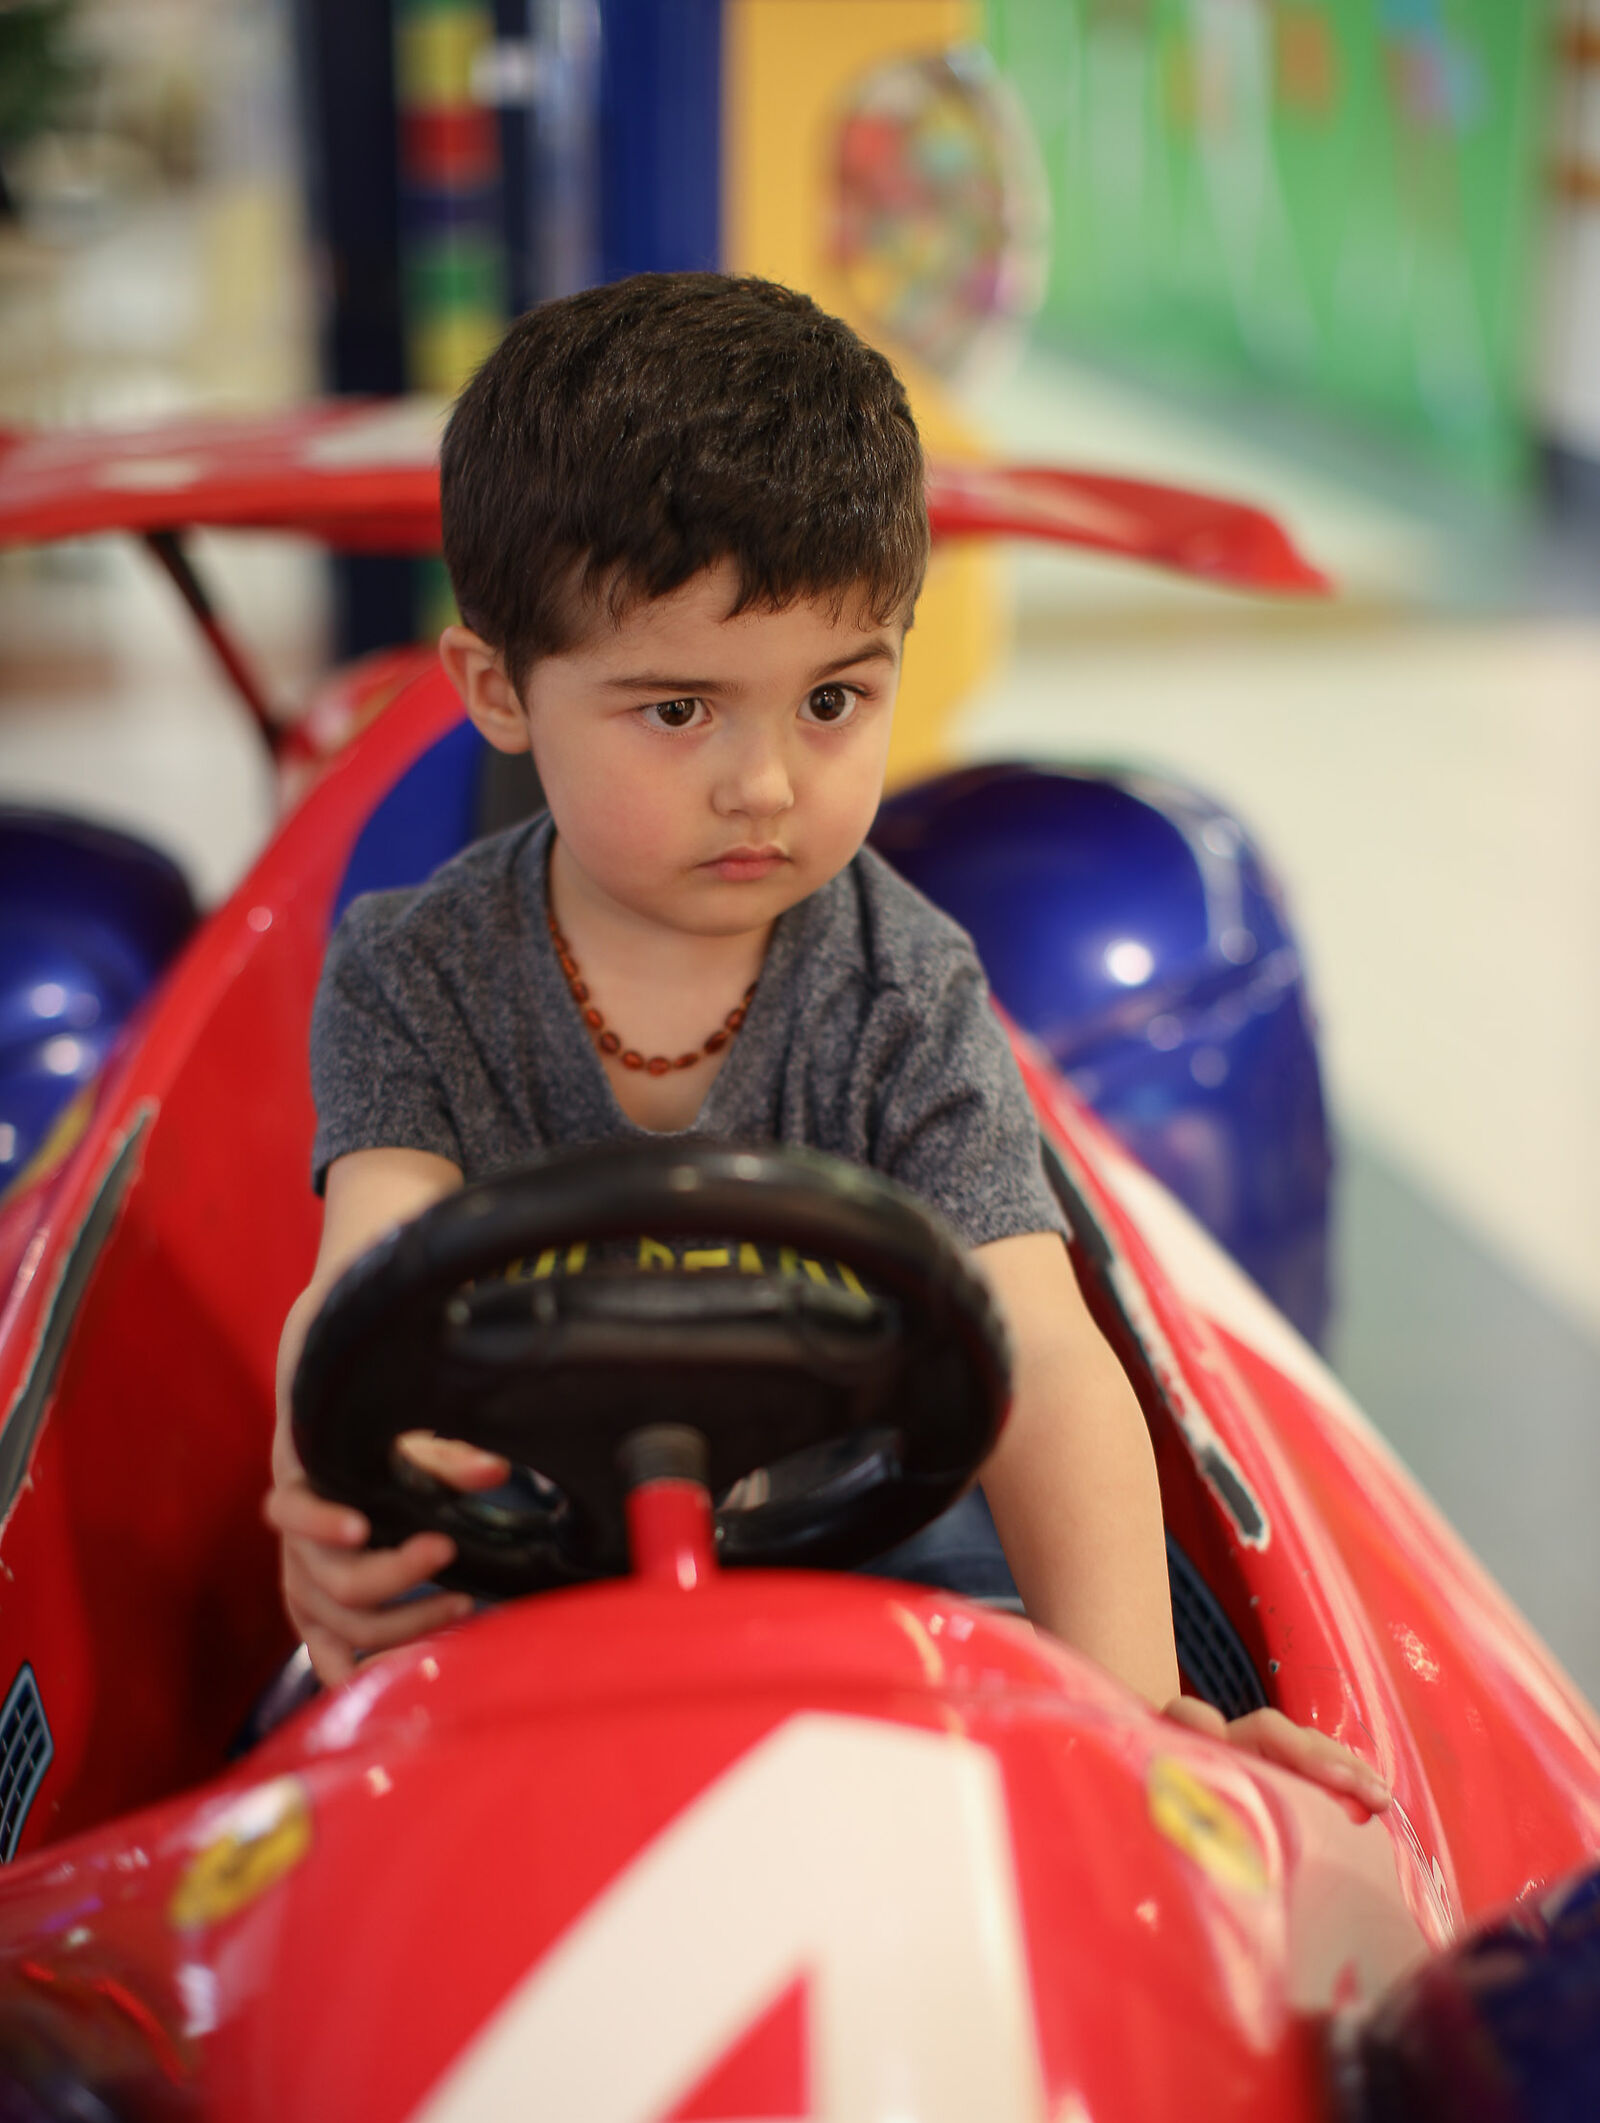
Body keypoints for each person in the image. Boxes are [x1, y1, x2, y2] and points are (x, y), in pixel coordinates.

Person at [265, 271, 1387, 1813]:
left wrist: (1134, 1723)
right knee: (313, 1767)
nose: (768, 785)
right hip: (530, 1565)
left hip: (879, 1557)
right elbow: (360, 1281)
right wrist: (331, 1497)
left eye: (834, 699)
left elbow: (1040, 1347)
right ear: (498, 691)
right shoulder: (414, 972)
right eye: (680, 712)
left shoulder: (906, 987)